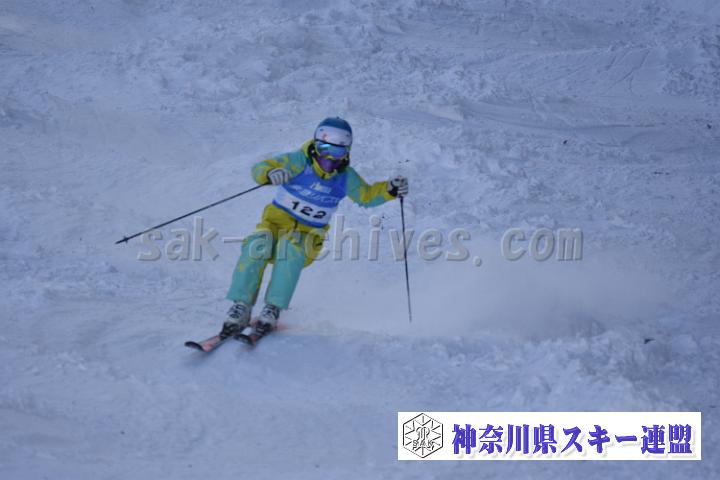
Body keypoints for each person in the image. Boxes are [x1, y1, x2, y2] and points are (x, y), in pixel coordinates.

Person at [222, 117, 409, 338]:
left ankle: (272, 308)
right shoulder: (297, 162)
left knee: (291, 248)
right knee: (257, 244)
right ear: (315, 145)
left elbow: (366, 196)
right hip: (274, 225)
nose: (329, 157)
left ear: (347, 152)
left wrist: (389, 190)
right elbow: (259, 168)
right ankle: (241, 305)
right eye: (324, 148)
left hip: (308, 236)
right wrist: (269, 173)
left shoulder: (345, 178)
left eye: (337, 152)